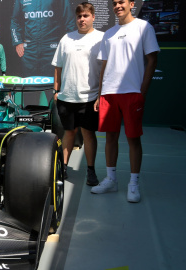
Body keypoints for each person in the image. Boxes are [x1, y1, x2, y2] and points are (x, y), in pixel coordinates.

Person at [91, 0, 159, 203]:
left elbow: (152, 59)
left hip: (132, 93)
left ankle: (133, 183)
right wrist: (99, 94)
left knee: (133, 139)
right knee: (110, 138)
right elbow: (104, 65)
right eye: (114, 3)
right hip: (109, 94)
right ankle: (111, 180)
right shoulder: (109, 33)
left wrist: (142, 91)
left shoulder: (143, 27)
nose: (117, 6)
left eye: (121, 2)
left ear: (131, 4)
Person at [51, 2, 103, 186]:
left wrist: (100, 95)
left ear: (93, 17)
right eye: (79, 16)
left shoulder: (101, 39)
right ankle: (63, 168)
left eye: (86, 16)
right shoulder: (66, 38)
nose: (82, 19)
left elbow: (106, 69)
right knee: (69, 132)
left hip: (90, 98)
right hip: (67, 97)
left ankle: (90, 171)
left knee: (88, 134)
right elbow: (58, 66)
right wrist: (56, 91)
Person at [11, 0, 76, 76]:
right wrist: (17, 42)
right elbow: (15, 21)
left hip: (51, 50)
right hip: (30, 51)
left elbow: (70, 20)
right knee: (30, 84)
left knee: (52, 83)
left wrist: (70, 43)